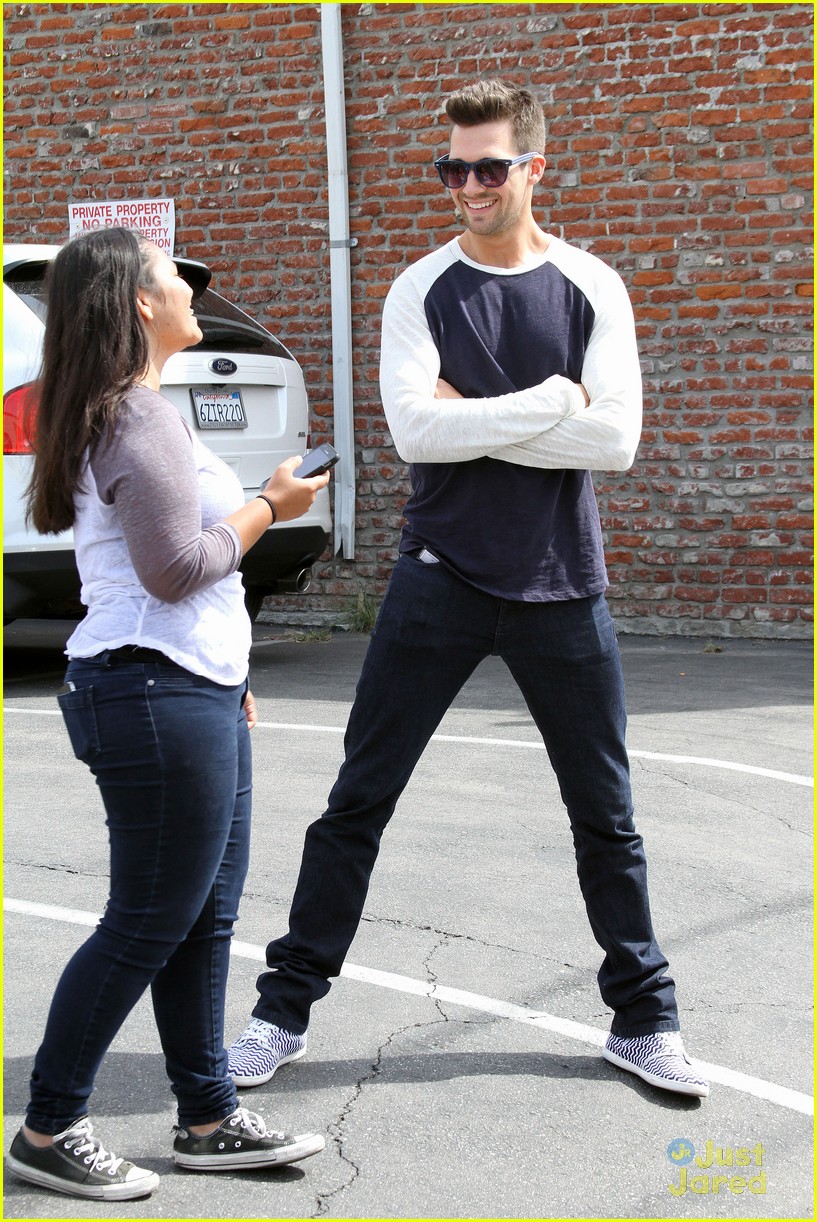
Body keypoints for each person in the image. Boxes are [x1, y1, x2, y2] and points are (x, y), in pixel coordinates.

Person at [227, 79, 709, 1100]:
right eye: (452, 167)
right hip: (436, 580)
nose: (468, 185)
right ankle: (280, 1013)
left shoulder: (591, 286)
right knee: (355, 803)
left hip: (560, 587)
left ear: (534, 168)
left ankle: (644, 1018)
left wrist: (477, 409)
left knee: (606, 817)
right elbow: (414, 434)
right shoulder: (419, 289)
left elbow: (614, 444)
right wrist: (547, 400)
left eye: (489, 167)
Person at [7, 227, 332, 1202]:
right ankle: (49, 1124)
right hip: (149, 691)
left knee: (203, 916)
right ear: (138, 305)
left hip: (188, 683)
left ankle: (207, 1114)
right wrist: (271, 504)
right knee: (147, 920)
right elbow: (176, 567)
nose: (193, 290)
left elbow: (179, 586)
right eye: (173, 280)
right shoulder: (133, 417)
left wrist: (228, 673)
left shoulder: (139, 408)